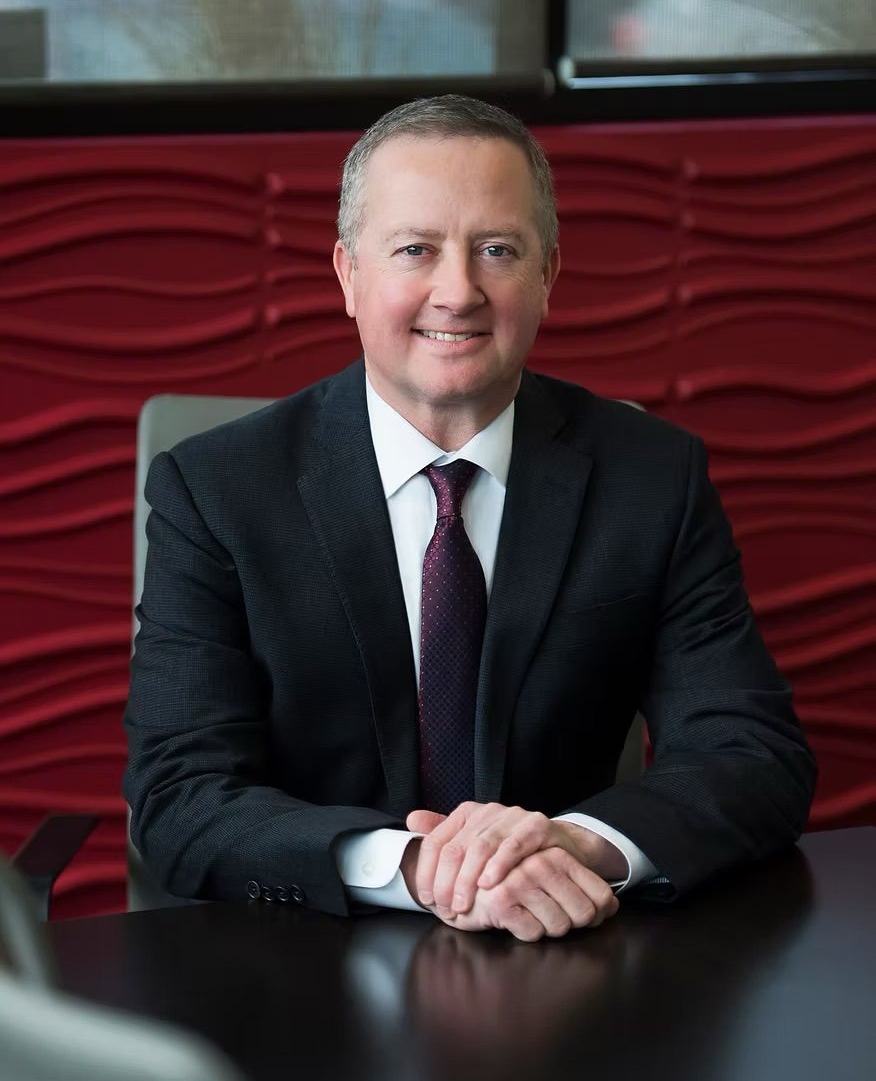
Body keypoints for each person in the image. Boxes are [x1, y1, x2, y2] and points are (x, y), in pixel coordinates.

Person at [124, 95, 815, 942]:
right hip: (301, 967)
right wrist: (417, 869)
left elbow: (752, 753)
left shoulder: (653, 478)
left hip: (568, 946)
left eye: (497, 250)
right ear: (348, 274)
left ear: (548, 276)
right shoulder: (215, 490)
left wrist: (577, 842)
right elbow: (181, 796)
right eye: (415, 249)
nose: (458, 291)